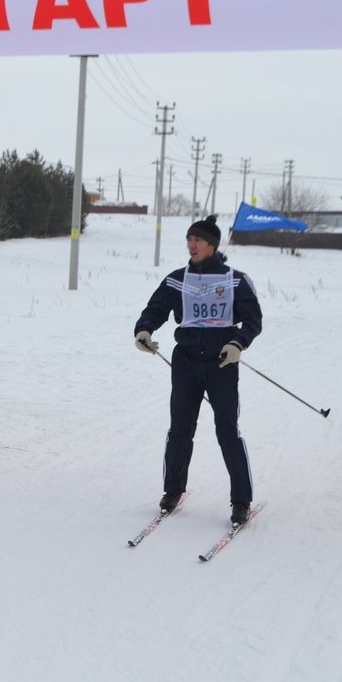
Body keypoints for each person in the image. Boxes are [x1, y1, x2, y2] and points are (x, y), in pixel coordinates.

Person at [133, 214, 262, 524]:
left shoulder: (234, 279)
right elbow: (156, 309)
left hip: (221, 362)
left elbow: (253, 320)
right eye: (189, 239)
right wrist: (143, 331)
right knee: (180, 429)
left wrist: (237, 344)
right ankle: (173, 490)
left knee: (227, 431)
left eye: (198, 240)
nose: (191, 245)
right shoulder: (178, 278)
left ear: (212, 245)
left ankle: (241, 499)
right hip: (186, 362)